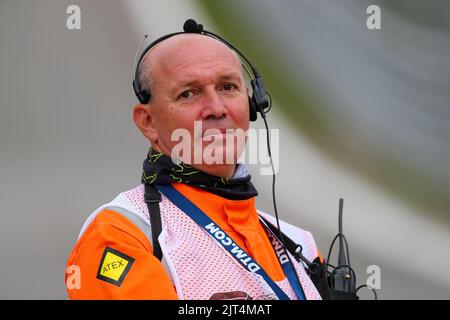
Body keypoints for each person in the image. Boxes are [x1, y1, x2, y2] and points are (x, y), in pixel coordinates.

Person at [65, 22, 323, 300]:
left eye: (228, 87)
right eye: (188, 93)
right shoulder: (120, 235)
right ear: (148, 122)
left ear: (252, 105)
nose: (216, 108)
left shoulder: (301, 246)